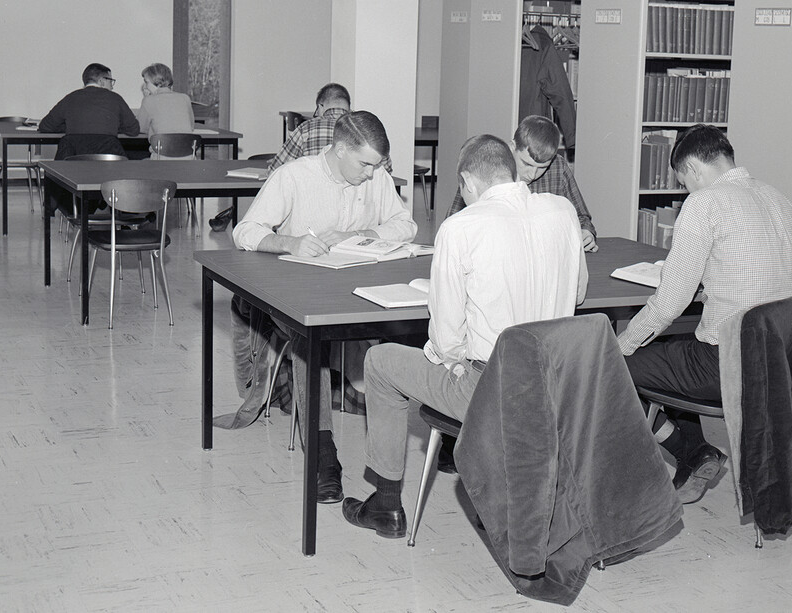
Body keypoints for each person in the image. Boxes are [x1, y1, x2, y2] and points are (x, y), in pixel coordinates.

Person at [341, 134, 588, 539]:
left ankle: (385, 505)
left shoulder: (461, 227)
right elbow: (578, 295)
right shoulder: (562, 211)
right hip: (554, 385)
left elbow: (446, 337)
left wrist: (450, 362)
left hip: (490, 388)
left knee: (380, 362)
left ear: (468, 182)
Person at [617, 124, 792, 504]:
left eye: (684, 183)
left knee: (613, 365)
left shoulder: (703, 204)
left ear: (692, 169)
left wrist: (619, 345)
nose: (686, 192)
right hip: (783, 365)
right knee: (677, 350)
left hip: (726, 364)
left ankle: (690, 451)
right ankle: (695, 452)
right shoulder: (779, 199)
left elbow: (669, 304)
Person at [226, 111, 416, 505]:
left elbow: (405, 225)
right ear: (340, 149)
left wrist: (361, 233)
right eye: (366, 164)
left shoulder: (375, 176)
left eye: (377, 165)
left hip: (353, 290)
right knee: (305, 335)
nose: (373, 173)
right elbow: (245, 231)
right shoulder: (294, 176)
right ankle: (322, 451)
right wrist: (288, 243)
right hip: (294, 291)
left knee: (415, 325)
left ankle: (441, 442)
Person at [209, 83, 392, 232]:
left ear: (320, 107)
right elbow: (387, 170)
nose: (370, 172)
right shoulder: (366, 139)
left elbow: (276, 168)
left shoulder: (306, 129)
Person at [446, 115, 598, 252]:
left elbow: (582, 216)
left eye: (542, 168)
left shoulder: (559, 166)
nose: (532, 175)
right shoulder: (488, 168)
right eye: (526, 164)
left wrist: (586, 232)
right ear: (512, 147)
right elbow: (452, 222)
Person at [40, 63, 140, 159]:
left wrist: (69, 126)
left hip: (73, 167)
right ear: (102, 81)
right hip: (108, 167)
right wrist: (114, 126)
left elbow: (45, 126)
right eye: (111, 81)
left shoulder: (70, 98)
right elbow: (134, 130)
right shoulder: (115, 98)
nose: (112, 86)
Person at [135, 63, 194, 135]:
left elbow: (140, 128)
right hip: (186, 145)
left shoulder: (148, 100)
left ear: (158, 83)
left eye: (147, 82)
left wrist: (146, 98)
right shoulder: (185, 98)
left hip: (161, 145)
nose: (145, 87)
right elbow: (191, 127)